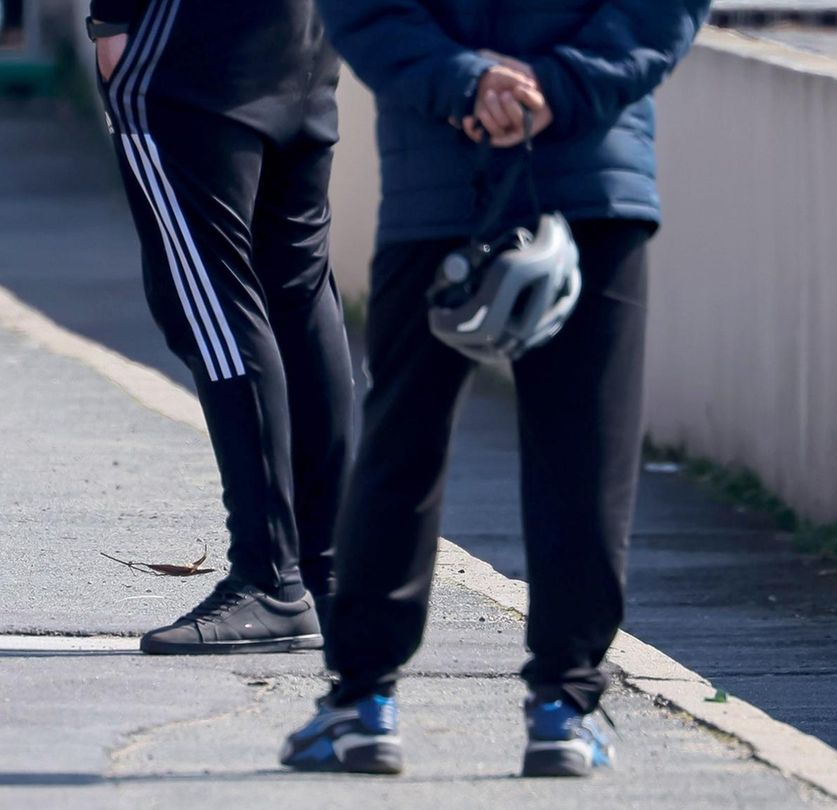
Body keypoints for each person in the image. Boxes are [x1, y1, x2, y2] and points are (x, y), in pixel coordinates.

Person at [280, 0, 709, 778]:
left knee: (401, 447)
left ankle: (363, 703)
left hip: (442, 181)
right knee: (585, 455)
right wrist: (558, 88)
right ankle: (563, 710)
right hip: (591, 174)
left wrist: (468, 84)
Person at [89, 0, 354, 653]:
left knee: (209, 304)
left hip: (189, 42)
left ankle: (269, 579)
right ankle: (327, 573)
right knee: (296, 292)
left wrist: (113, 18)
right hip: (306, 39)